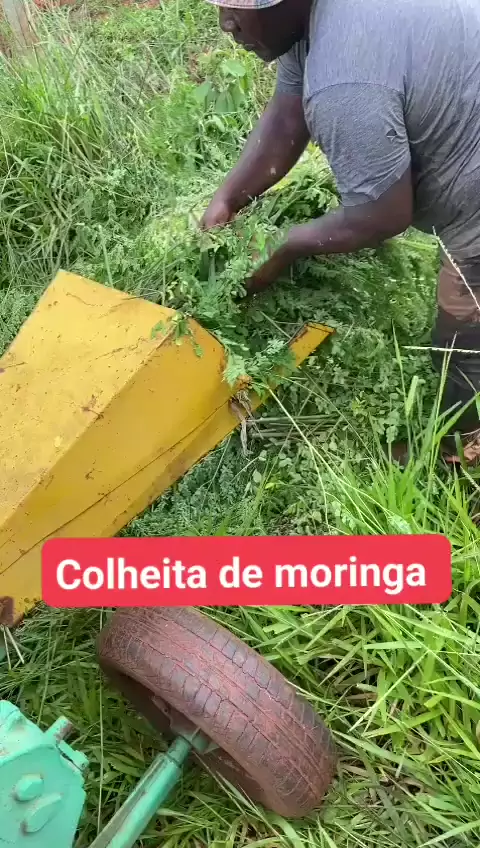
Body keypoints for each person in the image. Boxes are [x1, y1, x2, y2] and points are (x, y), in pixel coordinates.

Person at [200, 0, 480, 464]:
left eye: (243, 8)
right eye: (223, 5)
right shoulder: (311, 24)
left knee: (464, 331)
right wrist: (228, 198)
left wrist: (282, 248)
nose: (227, 22)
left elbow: (380, 216)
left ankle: (461, 454)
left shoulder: (344, 80)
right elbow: (287, 119)